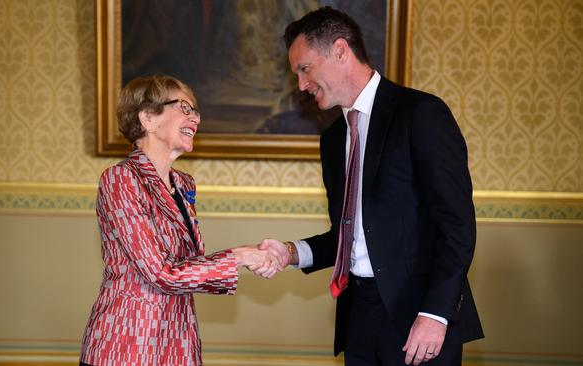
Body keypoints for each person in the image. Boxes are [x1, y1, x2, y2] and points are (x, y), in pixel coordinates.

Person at [261, 7, 484, 366]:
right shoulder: (333, 139)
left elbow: (457, 227)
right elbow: (350, 235)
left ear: (340, 51)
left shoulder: (421, 114)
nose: (301, 84)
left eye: (304, 69)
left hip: (420, 320)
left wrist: (435, 314)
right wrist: (290, 252)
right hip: (358, 318)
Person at [79, 76, 280, 366]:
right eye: (185, 108)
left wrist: (248, 255)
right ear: (148, 118)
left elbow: (189, 266)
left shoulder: (184, 184)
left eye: (196, 111)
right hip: (127, 345)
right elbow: (161, 273)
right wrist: (238, 256)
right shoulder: (122, 179)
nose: (195, 118)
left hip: (179, 344)